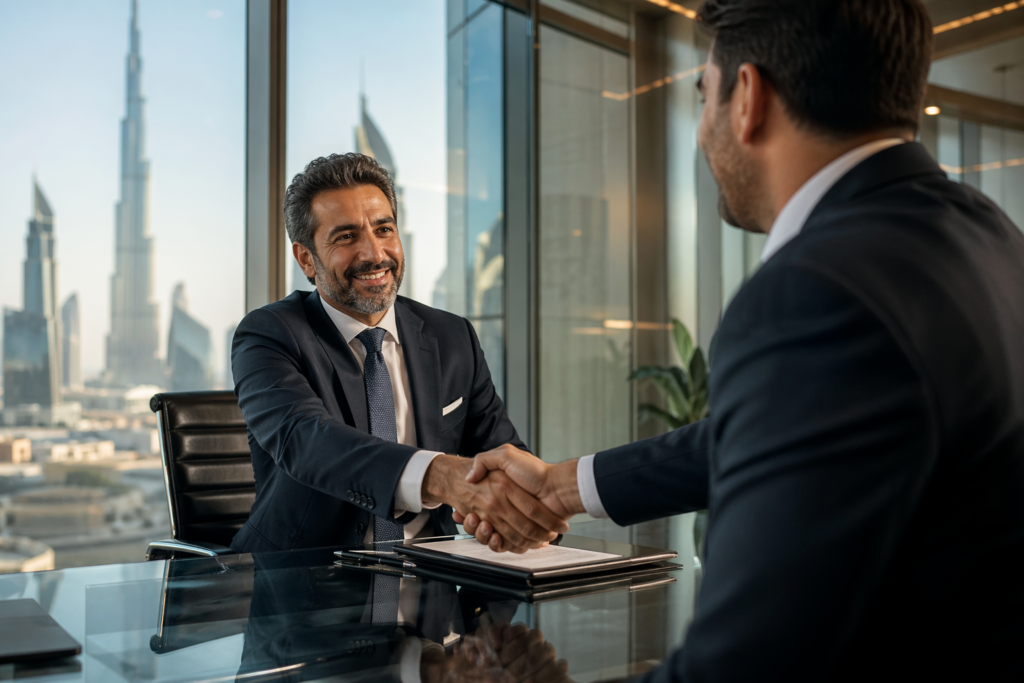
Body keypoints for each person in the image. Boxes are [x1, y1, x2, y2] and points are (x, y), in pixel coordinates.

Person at [458, 0, 1024, 680]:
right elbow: (806, 427)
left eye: (703, 97)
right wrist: (563, 485)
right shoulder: (987, 232)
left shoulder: (816, 290)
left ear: (748, 97)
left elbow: (742, 665)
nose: (701, 131)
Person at [230, 153, 566, 555]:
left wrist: (528, 512)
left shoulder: (451, 335)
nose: (374, 253)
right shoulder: (269, 335)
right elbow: (309, 442)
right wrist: (439, 475)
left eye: (384, 229)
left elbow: (500, 452)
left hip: (434, 584)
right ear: (306, 259)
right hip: (303, 587)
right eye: (346, 237)